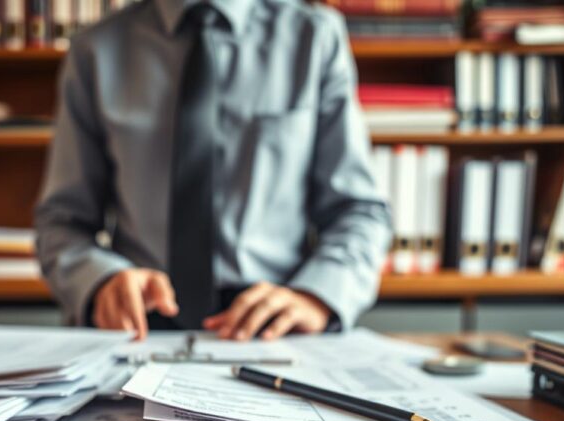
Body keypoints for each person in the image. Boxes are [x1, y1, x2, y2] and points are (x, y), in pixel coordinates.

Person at [36, 0, 391, 341]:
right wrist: (100, 281)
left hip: (273, 323)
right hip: (138, 324)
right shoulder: (96, 49)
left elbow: (359, 211)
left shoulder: (313, 37)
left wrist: (316, 297)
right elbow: (61, 221)